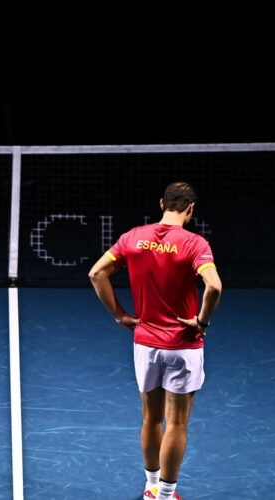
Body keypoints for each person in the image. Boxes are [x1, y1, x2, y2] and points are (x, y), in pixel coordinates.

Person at [88, 182, 222, 500]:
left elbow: (96, 273)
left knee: (150, 417)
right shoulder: (194, 243)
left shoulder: (133, 237)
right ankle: (165, 495)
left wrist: (120, 314)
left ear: (162, 203)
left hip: (145, 344)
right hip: (183, 346)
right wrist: (202, 321)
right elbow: (214, 287)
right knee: (176, 424)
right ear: (190, 209)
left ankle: (150, 484)